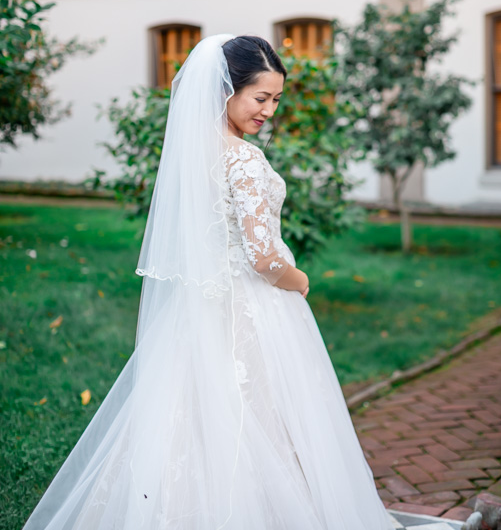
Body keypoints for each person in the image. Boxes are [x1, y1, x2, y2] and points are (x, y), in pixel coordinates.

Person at [22, 34, 394, 530]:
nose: (269, 111)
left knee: (192, 415)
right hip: (251, 308)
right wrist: (298, 278)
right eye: (261, 98)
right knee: (262, 418)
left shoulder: (190, 154)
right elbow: (263, 257)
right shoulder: (243, 158)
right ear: (226, 91)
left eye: (276, 99)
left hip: (199, 307)